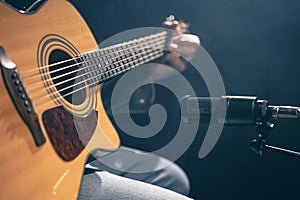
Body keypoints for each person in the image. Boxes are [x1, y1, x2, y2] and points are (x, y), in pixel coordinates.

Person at [78, 21, 200, 200]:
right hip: (34, 165)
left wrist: (150, 70)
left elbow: (94, 97)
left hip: (76, 142)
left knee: (172, 177)